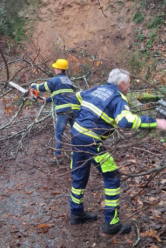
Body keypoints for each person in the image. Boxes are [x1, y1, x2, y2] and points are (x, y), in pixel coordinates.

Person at [68, 69, 166, 235]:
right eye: (128, 84)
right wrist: (156, 122)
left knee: (79, 175)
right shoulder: (117, 97)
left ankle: (76, 213)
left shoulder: (97, 89)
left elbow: (75, 97)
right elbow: (125, 120)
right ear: (122, 84)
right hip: (91, 140)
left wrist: (80, 118)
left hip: (76, 134)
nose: (129, 87)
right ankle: (112, 223)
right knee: (112, 175)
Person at [30, 59, 80, 164]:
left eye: (55, 67)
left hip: (63, 112)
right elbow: (58, 95)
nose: (54, 69)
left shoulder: (55, 80)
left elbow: (42, 87)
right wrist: (46, 100)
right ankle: (78, 154)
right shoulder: (67, 80)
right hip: (73, 110)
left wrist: (34, 85)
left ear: (59, 69)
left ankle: (58, 157)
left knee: (58, 134)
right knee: (75, 133)